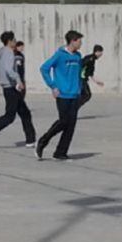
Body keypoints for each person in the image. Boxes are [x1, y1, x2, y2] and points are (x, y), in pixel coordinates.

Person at [0, 31, 36, 148]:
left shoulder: (3, 52)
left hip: (10, 86)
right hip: (11, 87)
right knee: (10, 116)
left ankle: (30, 140)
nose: (15, 42)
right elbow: (9, 70)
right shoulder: (8, 52)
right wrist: (18, 80)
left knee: (25, 113)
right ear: (10, 41)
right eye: (14, 40)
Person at [36, 30, 84, 161]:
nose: (81, 44)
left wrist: (79, 88)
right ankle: (43, 141)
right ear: (73, 41)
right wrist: (53, 86)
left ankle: (60, 152)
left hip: (75, 95)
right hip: (62, 94)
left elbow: (78, 74)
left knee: (71, 125)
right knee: (63, 122)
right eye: (79, 41)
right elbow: (44, 68)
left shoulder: (78, 56)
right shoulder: (59, 55)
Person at [78, 44, 105, 109]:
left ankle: (73, 109)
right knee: (87, 95)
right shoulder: (90, 59)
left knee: (85, 95)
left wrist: (97, 82)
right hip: (81, 79)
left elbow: (90, 73)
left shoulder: (92, 60)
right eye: (101, 52)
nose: (101, 54)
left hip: (83, 79)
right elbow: (80, 65)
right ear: (97, 52)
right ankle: (73, 108)